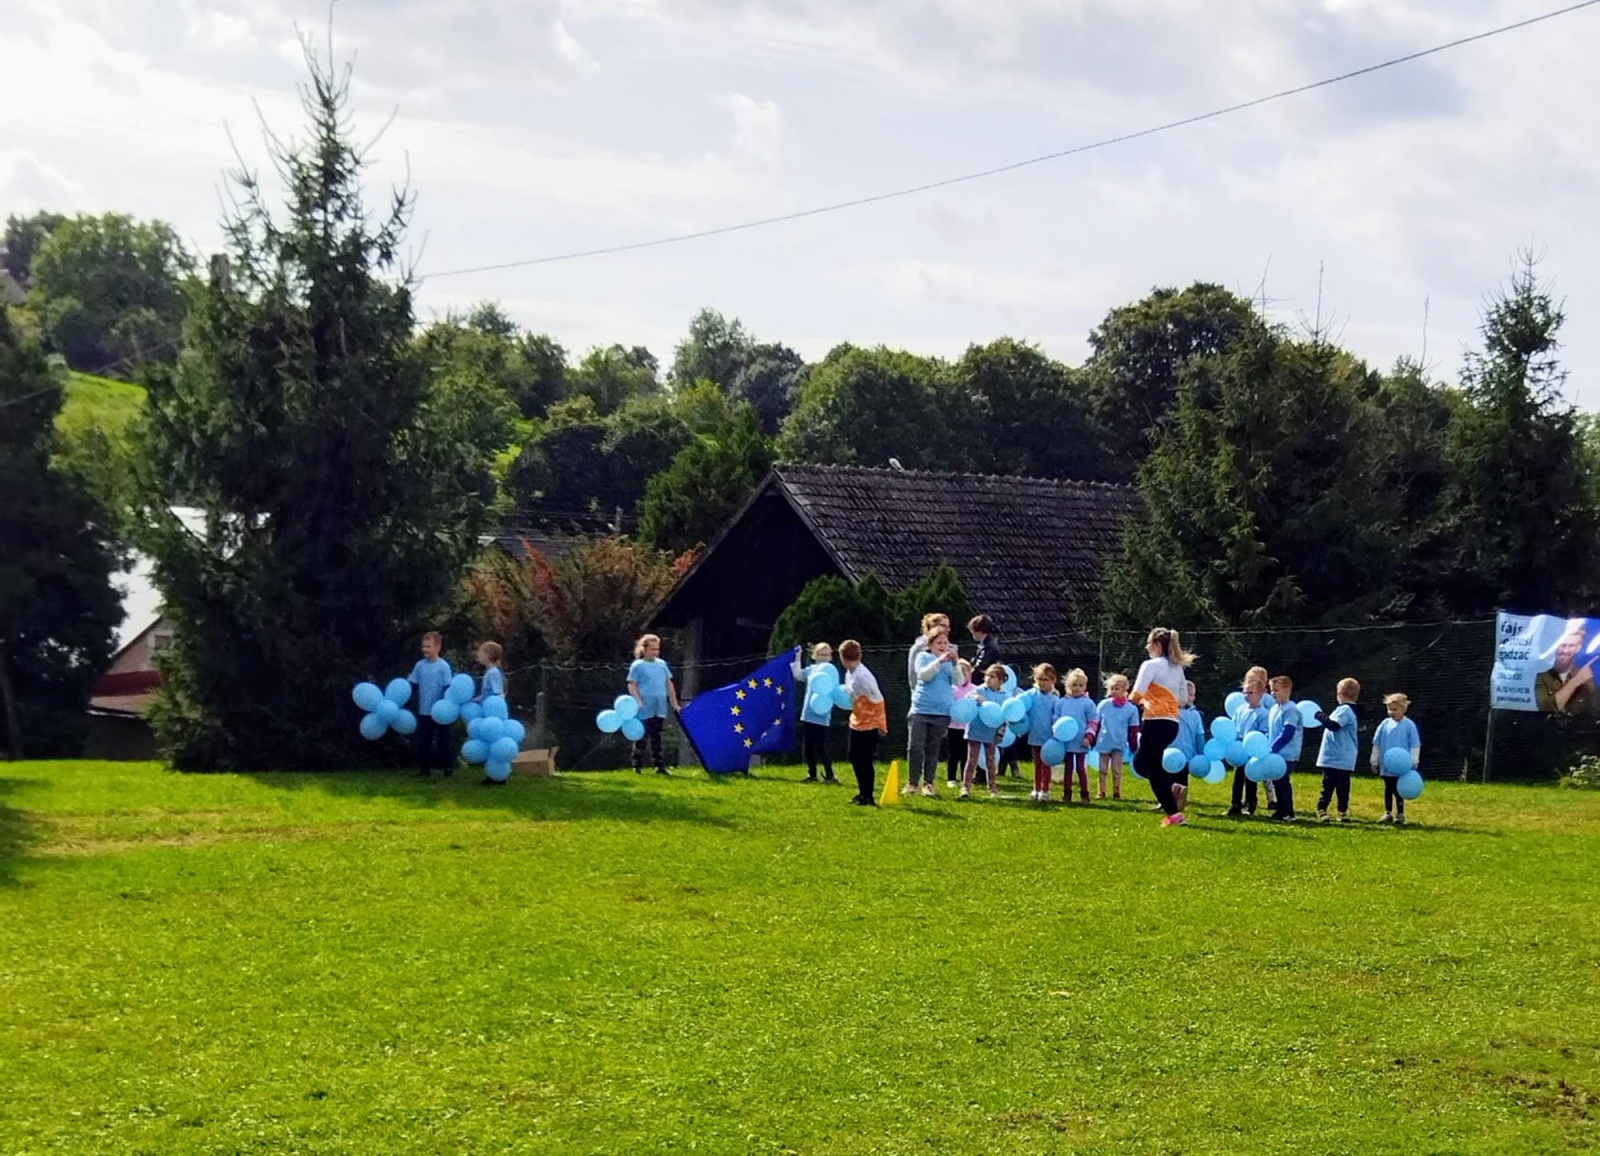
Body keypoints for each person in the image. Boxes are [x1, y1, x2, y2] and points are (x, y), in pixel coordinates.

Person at [1129, 627, 1194, 827]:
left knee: (1152, 767)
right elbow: (1183, 699)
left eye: (1149, 643)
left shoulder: (1150, 665)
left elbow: (1137, 694)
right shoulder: (1177, 669)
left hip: (1154, 721)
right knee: (1141, 763)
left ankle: (1174, 815)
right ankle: (1172, 786)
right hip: (1172, 723)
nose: (1147, 647)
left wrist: (1132, 700)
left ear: (1157, 645)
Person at [906, 626, 965, 796]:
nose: (943, 646)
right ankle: (912, 782)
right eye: (939, 642)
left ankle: (929, 783)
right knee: (915, 747)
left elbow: (959, 681)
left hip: (942, 713)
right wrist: (939, 661)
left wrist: (954, 664)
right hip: (921, 710)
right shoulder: (923, 657)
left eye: (945, 643)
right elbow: (924, 675)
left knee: (933, 749)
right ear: (930, 644)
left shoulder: (950, 662)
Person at [840, 640, 887, 805]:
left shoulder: (863, 676)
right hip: (857, 720)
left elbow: (878, 699)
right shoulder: (850, 673)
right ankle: (862, 792)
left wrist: (881, 724)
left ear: (842, 657)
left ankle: (868, 795)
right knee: (854, 756)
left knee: (865, 759)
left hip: (870, 722)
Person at [627, 633, 680, 776]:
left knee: (656, 736)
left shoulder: (662, 664)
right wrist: (638, 701)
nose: (655, 652)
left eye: (657, 649)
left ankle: (659, 766)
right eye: (652, 649)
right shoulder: (637, 665)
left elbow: (669, 684)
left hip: (659, 706)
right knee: (641, 736)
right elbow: (632, 685)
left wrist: (674, 703)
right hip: (644, 706)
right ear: (644, 649)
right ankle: (636, 765)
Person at [793, 642, 841, 784]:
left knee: (821, 746)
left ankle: (830, 775)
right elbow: (798, 675)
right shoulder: (812, 669)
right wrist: (797, 656)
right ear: (815, 655)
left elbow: (835, 691)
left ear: (831, 656)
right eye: (821, 654)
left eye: (826, 654)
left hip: (822, 714)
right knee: (808, 746)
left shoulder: (831, 671)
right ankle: (812, 774)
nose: (824, 657)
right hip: (808, 713)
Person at [1315, 678, 1362, 823]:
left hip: (1337, 756)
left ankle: (1324, 808)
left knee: (1330, 785)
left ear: (1340, 693)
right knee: (1340, 786)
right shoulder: (1345, 710)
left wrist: (1319, 716)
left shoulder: (1345, 710)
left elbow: (1334, 726)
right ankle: (1340, 810)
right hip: (1342, 757)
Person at [409, 630, 455, 778]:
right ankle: (424, 769)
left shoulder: (443, 666)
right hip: (424, 710)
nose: (425, 650)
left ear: (438, 647)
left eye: (429, 646)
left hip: (441, 711)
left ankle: (448, 767)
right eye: (424, 646)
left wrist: (447, 706)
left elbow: (448, 688)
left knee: (444, 741)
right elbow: (413, 684)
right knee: (424, 741)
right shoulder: (420, 665)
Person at [1087, 673, 1139, 801]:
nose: (1114, 691)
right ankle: (1101, 791)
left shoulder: (1131, 709)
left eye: (1117, 688)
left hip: (1119, 743)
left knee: (1117, 770)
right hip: (1104, 742)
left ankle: (1116, 792)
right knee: (1102, 770)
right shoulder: (1103, 705)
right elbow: (1096, 724)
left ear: (1125, 689)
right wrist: (1091, 740)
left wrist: (1134, 746)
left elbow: (1133, 730)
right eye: (1112, 688)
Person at [1372, 693, 1422, 826]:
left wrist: (1413, 761)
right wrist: (1374, 761)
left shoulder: (1409, 725)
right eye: (1389, 709)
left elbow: (1415, 744)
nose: (1391, 712)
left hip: (1402, 767)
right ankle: (1388, 812)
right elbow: (1376, 743)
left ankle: (1400, 813)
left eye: (1395, 709)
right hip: (1387, 765)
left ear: (1403, 709)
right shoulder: (1384, 724)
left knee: (1399, 789)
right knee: (1388, 788)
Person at [962, 663, 1007, 800]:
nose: (988, 678)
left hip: (991, 732)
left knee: (991, 761)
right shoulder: (979, 690)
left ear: (1000, 680)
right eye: (987, 675)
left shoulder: (1004, 695)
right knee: (972, 760)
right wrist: (975, 698)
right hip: (976, 730)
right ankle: (965, 787)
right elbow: (968, 696)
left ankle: (992, 788)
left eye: (992, 676)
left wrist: (1001, 732)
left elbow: (1005, 714)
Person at [1227, 675, 1270, 817]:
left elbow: (1264, 732)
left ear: (1260, 694)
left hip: (1252, 750)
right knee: (1238, 778)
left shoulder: (1263, 714)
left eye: (1251, 693)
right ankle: (1235, 804)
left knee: (1251, 778)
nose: (1247, 696)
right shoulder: (1240, 710)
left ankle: (1251, 804)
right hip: (1239, 750)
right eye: (1245, 692)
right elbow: (1233, 726)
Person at [1535, 620, 1596, 714]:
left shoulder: (1587, 680)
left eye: (1571, 646)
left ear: (1578, 648)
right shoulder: (1543, 678)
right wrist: (1577, 681)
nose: (1565, 650)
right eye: (1562, 645)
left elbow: (1594, 712)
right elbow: (1546, 708)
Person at [1056, 669, 1097, 803]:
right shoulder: (1062, 702)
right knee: (1068, 769)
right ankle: (1067, 794)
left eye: (1080, 685)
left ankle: (1084, 794)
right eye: (1074, 685)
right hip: (1066, 742)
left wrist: (1089, 737)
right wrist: (1057, 732)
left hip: (1081, 741)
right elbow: (1056, 718)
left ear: (1085, 687)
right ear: (1068, 686)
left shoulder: (1088, 703)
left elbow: (1093, 721)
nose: (1077, 688)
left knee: (1080, 768)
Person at [1266, 674, 1301, 822]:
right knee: (1276, 781)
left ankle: (1288, 811)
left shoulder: (1291, 709)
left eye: (1276, 690)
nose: (1273, 693)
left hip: (1286, 753)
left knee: (1283, 781)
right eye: (1271, 690)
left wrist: (1273, 748)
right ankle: (1280, 810)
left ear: (1287, 690)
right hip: (1275, 753)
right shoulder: (1274, 708)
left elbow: (1287, 733)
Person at [1027, 664, 1062, 802]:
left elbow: (1058, 717)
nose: (1042, 682)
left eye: (1045, 679)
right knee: (1037, 764)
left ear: (1053, 680)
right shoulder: (1030, 694)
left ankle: (1045, 790)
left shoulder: (1055, 699)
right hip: (1035, 734)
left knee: (1046, 764)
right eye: (1039, 679)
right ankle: (1036, 788)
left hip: (1049, 737)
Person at [476, 641, 508, 786]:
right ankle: (493, 775)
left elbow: (498, 694)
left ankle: (498, 776)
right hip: (487, 710)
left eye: (481, 652)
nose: (479, 655)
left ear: (488, 655)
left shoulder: (494, 673)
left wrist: (497, 711)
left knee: (494, 743)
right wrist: (475, 700)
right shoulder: (490, 672)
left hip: (493, 714)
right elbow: (486, 694)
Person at [945, 659, 975, 789]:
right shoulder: (951, 689)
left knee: (966, 754)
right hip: (953, 726)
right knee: (953, 753)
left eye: (965, 671)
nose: (963, 674)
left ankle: (965, 778)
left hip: (968, 727)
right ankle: (951, 778)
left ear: (970, 673)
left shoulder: (974, 690)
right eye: (960, 671)